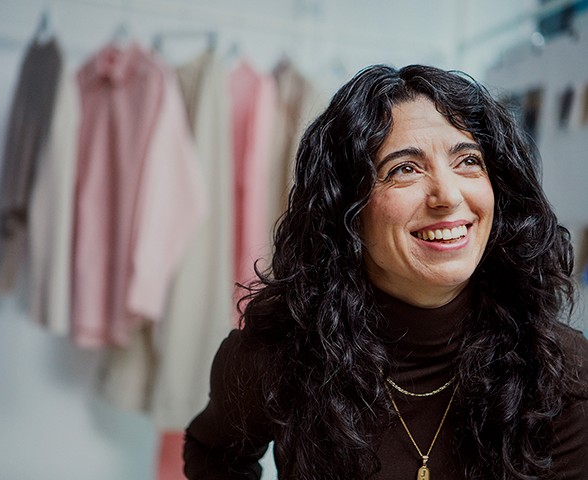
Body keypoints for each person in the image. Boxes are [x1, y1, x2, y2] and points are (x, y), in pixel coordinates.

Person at [182, 64, 588, 479]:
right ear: (347, 210)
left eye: (468, 161)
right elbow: (213, 452)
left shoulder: (562, 371)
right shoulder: (275, 354)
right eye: (404, 169)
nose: (448, 195)